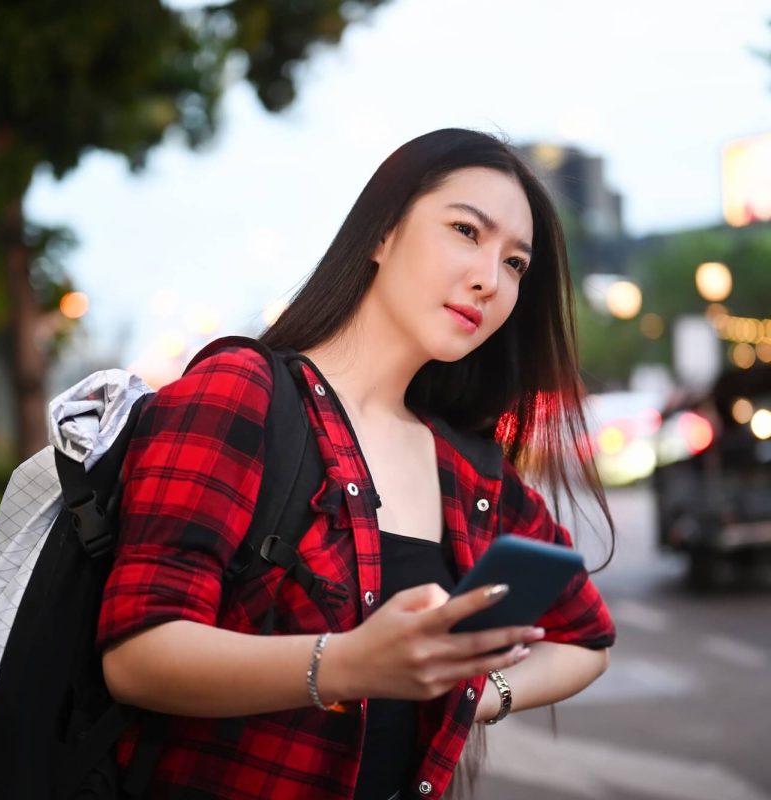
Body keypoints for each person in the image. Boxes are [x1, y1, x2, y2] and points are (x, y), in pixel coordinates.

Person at [98, 128, 616, 800]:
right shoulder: (242, 394)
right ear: (381, 234)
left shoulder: (469, 471)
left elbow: (587, 639)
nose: (489, 279)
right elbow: (138, 656)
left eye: (516, 264)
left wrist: (473, 692)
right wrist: (345, 664)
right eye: (465, 230)